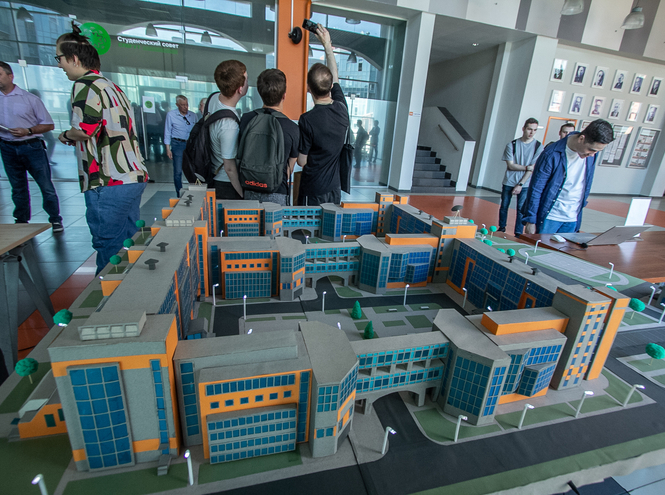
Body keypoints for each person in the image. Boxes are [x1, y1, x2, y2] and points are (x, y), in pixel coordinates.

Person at [56, 23, 148, 274]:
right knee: (130, 244)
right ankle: (130, 290)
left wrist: (65, 135)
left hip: (108, 180)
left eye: (59, 58)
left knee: (109, 250)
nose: (60, 65)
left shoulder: (85, 85)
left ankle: (109, 296)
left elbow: (85, 130)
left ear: (74, 59)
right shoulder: (112, 86)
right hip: (132, 175)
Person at [0, 62, 63, 232]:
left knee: (45, 185)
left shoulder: (30, 99)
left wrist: (28, 130)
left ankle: (55, 219)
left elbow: (49, 124)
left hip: (31, 147)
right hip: (7, 147)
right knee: (17, 187)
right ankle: (21, 220)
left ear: (10, 76)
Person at [523, 119, 614, 235]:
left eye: (597, 151)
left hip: (572, 218)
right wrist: (531, 220)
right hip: (550, 217)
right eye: (591, 150)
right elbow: (536, 188)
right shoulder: (551, 153)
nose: (592, 155)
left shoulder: (591, 155)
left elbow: (586, 183)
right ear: (581, 139)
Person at [297, 25, 348, 206]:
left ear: (308, 88)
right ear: (331, 86)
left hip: (312, 188)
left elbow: (302, 161)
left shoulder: (307, 120)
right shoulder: (342, 109)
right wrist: (327, 46)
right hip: (334, 188)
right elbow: (335, 77)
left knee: (308, 224)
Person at [239, 69, 299, 206]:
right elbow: (289, 168)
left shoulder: (246, 119)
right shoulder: (292, 128)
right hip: (277, 192)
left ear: (260, 93)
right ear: (284, 95)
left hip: (249, 188)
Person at [209, 59, 247, 200]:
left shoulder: (213, 98)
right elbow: (229, 168)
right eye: (247, 79)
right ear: (240, 89)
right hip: (225, 183)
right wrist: (242, 194)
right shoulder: (228, 125)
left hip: (212, 172)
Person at [498, 118, 543, 236]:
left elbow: (532, 168)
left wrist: (521, 184)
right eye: (529, 129)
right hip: (509, 181)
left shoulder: (538, 146)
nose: (531, 132)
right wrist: (527, 167)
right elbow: (511, 165)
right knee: (504, 206)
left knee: (521, 209)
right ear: (523, 129)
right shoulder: (512, 145)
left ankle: (518, 232)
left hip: (525, 183)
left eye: (534, 130)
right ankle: (501, 228)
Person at [164, 95, 198, 196]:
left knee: (193, 169)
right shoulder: (171, 115)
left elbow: (198, 130)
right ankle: (179, 193)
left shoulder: (193, 115)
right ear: (177, 105)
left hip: (190, 144)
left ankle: (196, 191)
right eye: (182, 105)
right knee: (178, 171)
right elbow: (167, 132)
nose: (185, 107)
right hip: (177, 144)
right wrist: (168, 148)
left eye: (186, 104)